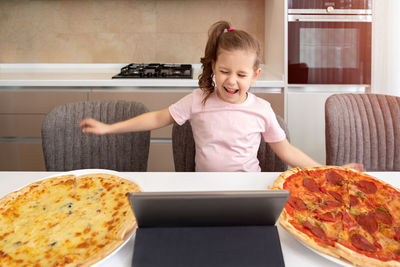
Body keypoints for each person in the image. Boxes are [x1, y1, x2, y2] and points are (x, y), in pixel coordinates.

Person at [80, 20, 364, 172]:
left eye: (241, 75)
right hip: (205, 189)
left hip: (249, 191)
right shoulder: (198, 100)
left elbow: (287, 151)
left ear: (255, 75)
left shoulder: (262, 110)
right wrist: (110, 128)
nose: (231, 81)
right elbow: (158, 117)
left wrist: (330, 171)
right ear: (213, 66)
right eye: (225, 71)